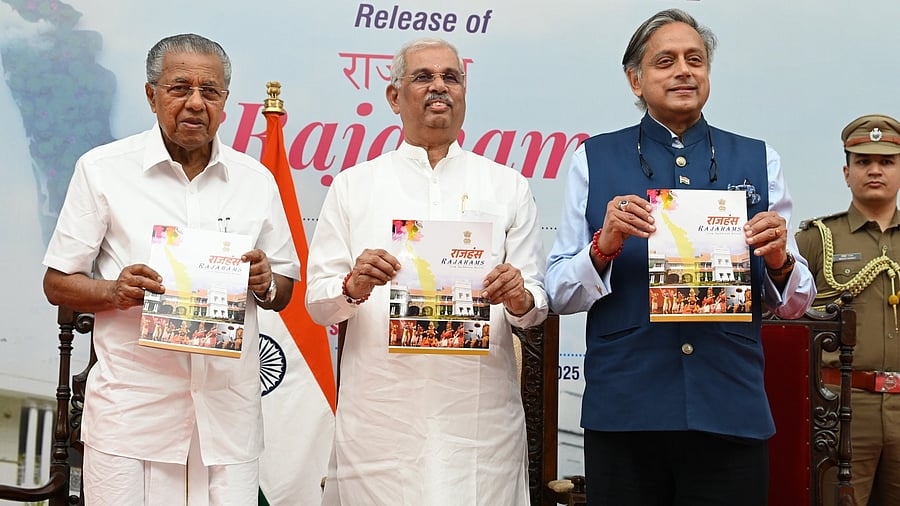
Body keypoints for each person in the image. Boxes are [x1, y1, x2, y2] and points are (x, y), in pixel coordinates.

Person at [544, 9, 816, 505]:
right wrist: (601, 248)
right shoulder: (594, 159)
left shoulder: (759, 159)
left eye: (695, 59)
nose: (684, 71)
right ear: (635, 80)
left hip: (728, 405)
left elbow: (797, 303)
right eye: (665, 61)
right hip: (627, 408)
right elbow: (559, 292)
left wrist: (780, 261)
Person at [41, 33, 299, 505]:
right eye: (180, 88)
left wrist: (266, 282)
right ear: (151, 94)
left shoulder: (256, 181)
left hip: (227, 420)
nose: (196, 103)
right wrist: (113, 291)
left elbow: (283, 290)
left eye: (210, 91)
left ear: (225, 100)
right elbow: (57, 283)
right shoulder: (103, 170)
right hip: (132, 416)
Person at [305, 37, 548, 505]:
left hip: (479, 421)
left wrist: (519, 296)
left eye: (450, 77)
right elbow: (318, 304)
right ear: (394, 97)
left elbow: (534, 307)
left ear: (464, 92)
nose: (439, 87)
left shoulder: (506, 186)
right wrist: (353, 286)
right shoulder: (354, 186)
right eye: (423, 77)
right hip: (381, 419)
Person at [795, 114, 900, 506]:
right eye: (863, 161)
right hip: (843, 408)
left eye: (886, 161)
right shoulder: (816, 239)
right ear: (846, 172)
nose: (874, 170)